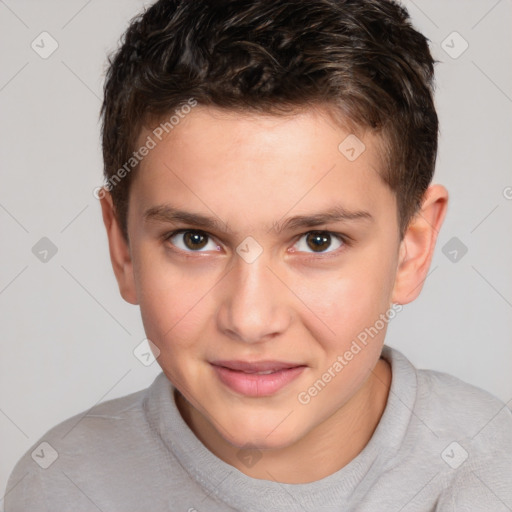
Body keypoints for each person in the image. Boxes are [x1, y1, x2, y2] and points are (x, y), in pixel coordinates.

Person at [4, 0, 512, 510]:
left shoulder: (493, 476)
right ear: (124, 250)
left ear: (411, 251)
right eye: (194, 239)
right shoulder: (60, 486)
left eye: (318, 240)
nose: (250, 320)